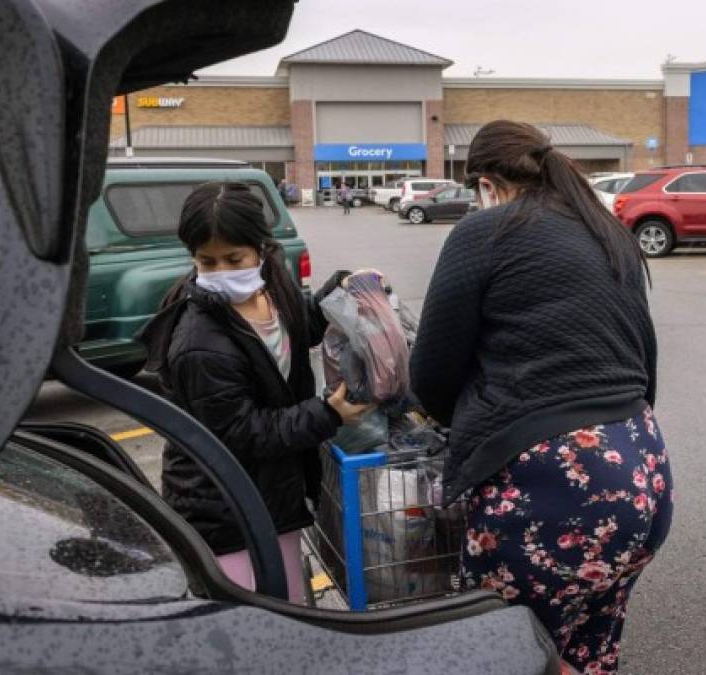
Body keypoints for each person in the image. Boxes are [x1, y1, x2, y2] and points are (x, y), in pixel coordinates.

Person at [410, 121, 672, 674]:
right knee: (590, 649)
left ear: (485, 181)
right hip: (642, 467)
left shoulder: (485, 232)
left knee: (511, 654)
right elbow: (644, 358)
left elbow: (432, 373)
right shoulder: (607, 230)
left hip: (553, 481)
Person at [138, 181, 371, 602]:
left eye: (234, 258)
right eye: (207, 262)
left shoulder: (271, 285)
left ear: (260, 250)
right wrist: (327, 414)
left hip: (271, 498)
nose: (222, 273)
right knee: (262, 624)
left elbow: (295, 331)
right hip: (227, 513)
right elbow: (242, 433)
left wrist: (340, 289)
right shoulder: (199, 343)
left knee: (291, 608)